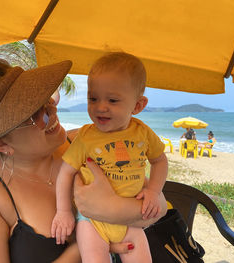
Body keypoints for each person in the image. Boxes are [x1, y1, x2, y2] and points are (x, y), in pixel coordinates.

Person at [0, 53, 167, 263]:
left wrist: (111, 210)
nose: (51, 110)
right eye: (34, 113)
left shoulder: (83, 141)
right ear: (1, 143)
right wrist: (87, 245)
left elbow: (159, 208)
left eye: (44, 98)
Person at [51, 52, 168, 263]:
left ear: (138, 106)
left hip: (129, 222)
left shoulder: (143, 133)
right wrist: (63, 211)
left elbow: (159, 161)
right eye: (93, 98)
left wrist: (153, 191)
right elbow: (65, 173)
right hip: (91, 222)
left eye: (112, 100)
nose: (100, 107)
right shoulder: (86, 137)